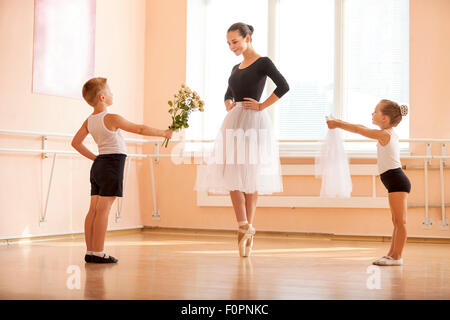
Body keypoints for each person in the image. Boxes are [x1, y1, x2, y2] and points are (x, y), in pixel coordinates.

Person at [195, 23, 289, 257]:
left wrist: (262, 105)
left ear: (247, 38)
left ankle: (246, 228)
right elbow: (229, 92)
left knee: (251, 175)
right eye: (228, 43)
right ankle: (243, 226)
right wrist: (228, 102)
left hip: (254, 122)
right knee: (233, 173)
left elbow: (284, 86)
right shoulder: (236, 67)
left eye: (235, 41)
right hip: (234, 120)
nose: (231, 47)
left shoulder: (263, 62)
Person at [72, 77, 172, 263]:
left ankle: (90, 251)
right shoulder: (111, 118)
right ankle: (99, 252)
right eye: (110, 91)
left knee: (93, 210)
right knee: (103, 210)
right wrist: (163, 133)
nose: (112, 94)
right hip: (112, 164)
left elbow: (75, 143)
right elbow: (140, 129)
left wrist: (95, 158)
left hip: (99, 165)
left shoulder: (89, 121)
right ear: (102, 97)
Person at [326, 99, 410, 266]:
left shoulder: (385, 134)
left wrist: (337, 123)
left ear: (385, 118)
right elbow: (360, 126)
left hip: (397, 181)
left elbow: (359, 129)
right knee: (396, 221)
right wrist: (338, 122)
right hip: (394, 181)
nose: (372, 114)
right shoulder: (387, 133)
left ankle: (397, 257)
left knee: (400, 222)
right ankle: (391, 254)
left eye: (375, 111)